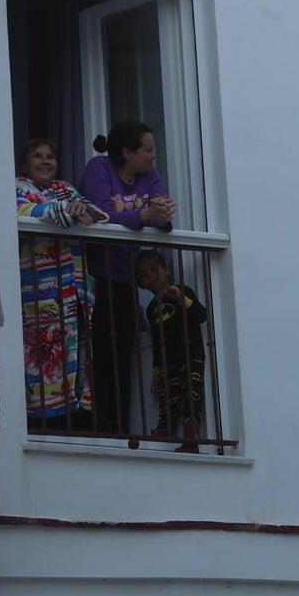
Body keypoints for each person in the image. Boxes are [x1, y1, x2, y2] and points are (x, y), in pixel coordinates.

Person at [80, 121, 176, 433]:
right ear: (126, 152)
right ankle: (95, 425)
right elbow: (99, 215)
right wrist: (143, 216)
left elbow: (159, 215)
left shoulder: (148, 175)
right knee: (98, 356)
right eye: (148, 150)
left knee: (122, 355)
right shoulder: (100, 168)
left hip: (124, 278)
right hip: (95, 277)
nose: (153, 156)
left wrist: (162, 215)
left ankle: (118, 428)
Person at [16, 138, 108, 429]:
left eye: (50, 157)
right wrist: (69, 212)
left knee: (75, 361)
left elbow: (98, 214)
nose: (45, 161)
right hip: (37, 298)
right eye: (37, 156)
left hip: (72, 293)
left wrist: (80, 210)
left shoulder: (65, 189)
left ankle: (74, 422)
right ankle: (39, 427)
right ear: (25, 163)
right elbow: (26, 212)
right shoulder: (19, 187)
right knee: (39, 362)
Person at [136, 249, 208, 453]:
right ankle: (164, 430)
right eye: (143, 274)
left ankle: (191, 441)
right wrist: (157, 371)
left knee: (191, 397)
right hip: (169, 362)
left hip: (190, 356)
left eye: (153, 269)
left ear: (166, 270)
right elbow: (158, 343)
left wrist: (181, 298)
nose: (150, 276)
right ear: (141, 284)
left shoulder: (183, 290)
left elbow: (201, 315)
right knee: (170, 397)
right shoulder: (151, 310)